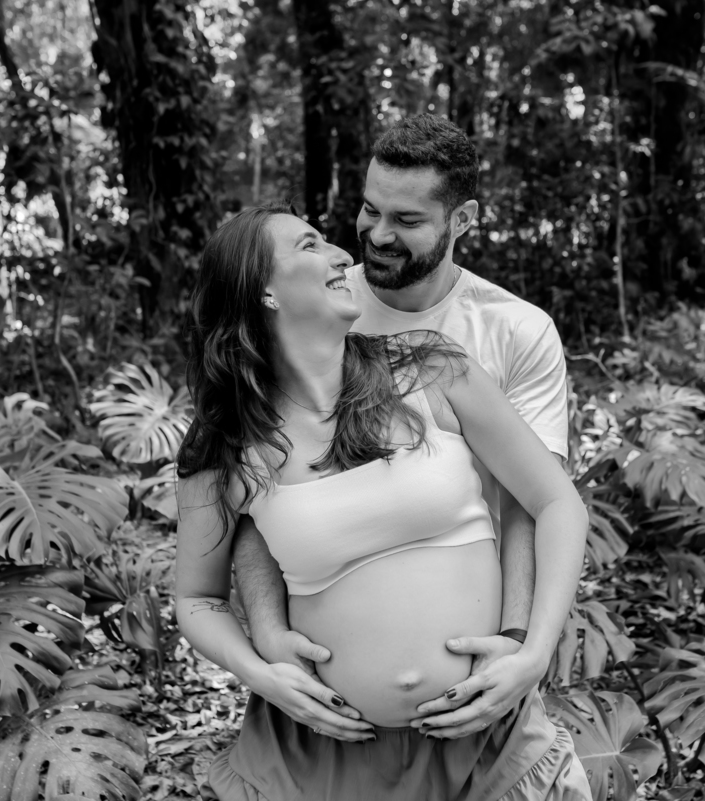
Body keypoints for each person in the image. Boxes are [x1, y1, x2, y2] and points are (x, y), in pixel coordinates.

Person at [175, 201, 590, 799]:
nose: (345, 253)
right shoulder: (229, 442)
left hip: (488, 741)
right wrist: (262, 675)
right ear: (263, 291)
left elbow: (557, 504)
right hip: (319, 755)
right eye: (310, 245)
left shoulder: (432, 368)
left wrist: (532, 654)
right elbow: (197, 597)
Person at [232, 113, 573, 741]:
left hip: (477, 647)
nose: (377, 235)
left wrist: (521, 643)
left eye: (408, 221)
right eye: (370, 209)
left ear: (462, 219)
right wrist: (266, 630)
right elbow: (262, 491)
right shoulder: (322, 305)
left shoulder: (514, 331)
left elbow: (535, 501)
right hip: (326, 677)